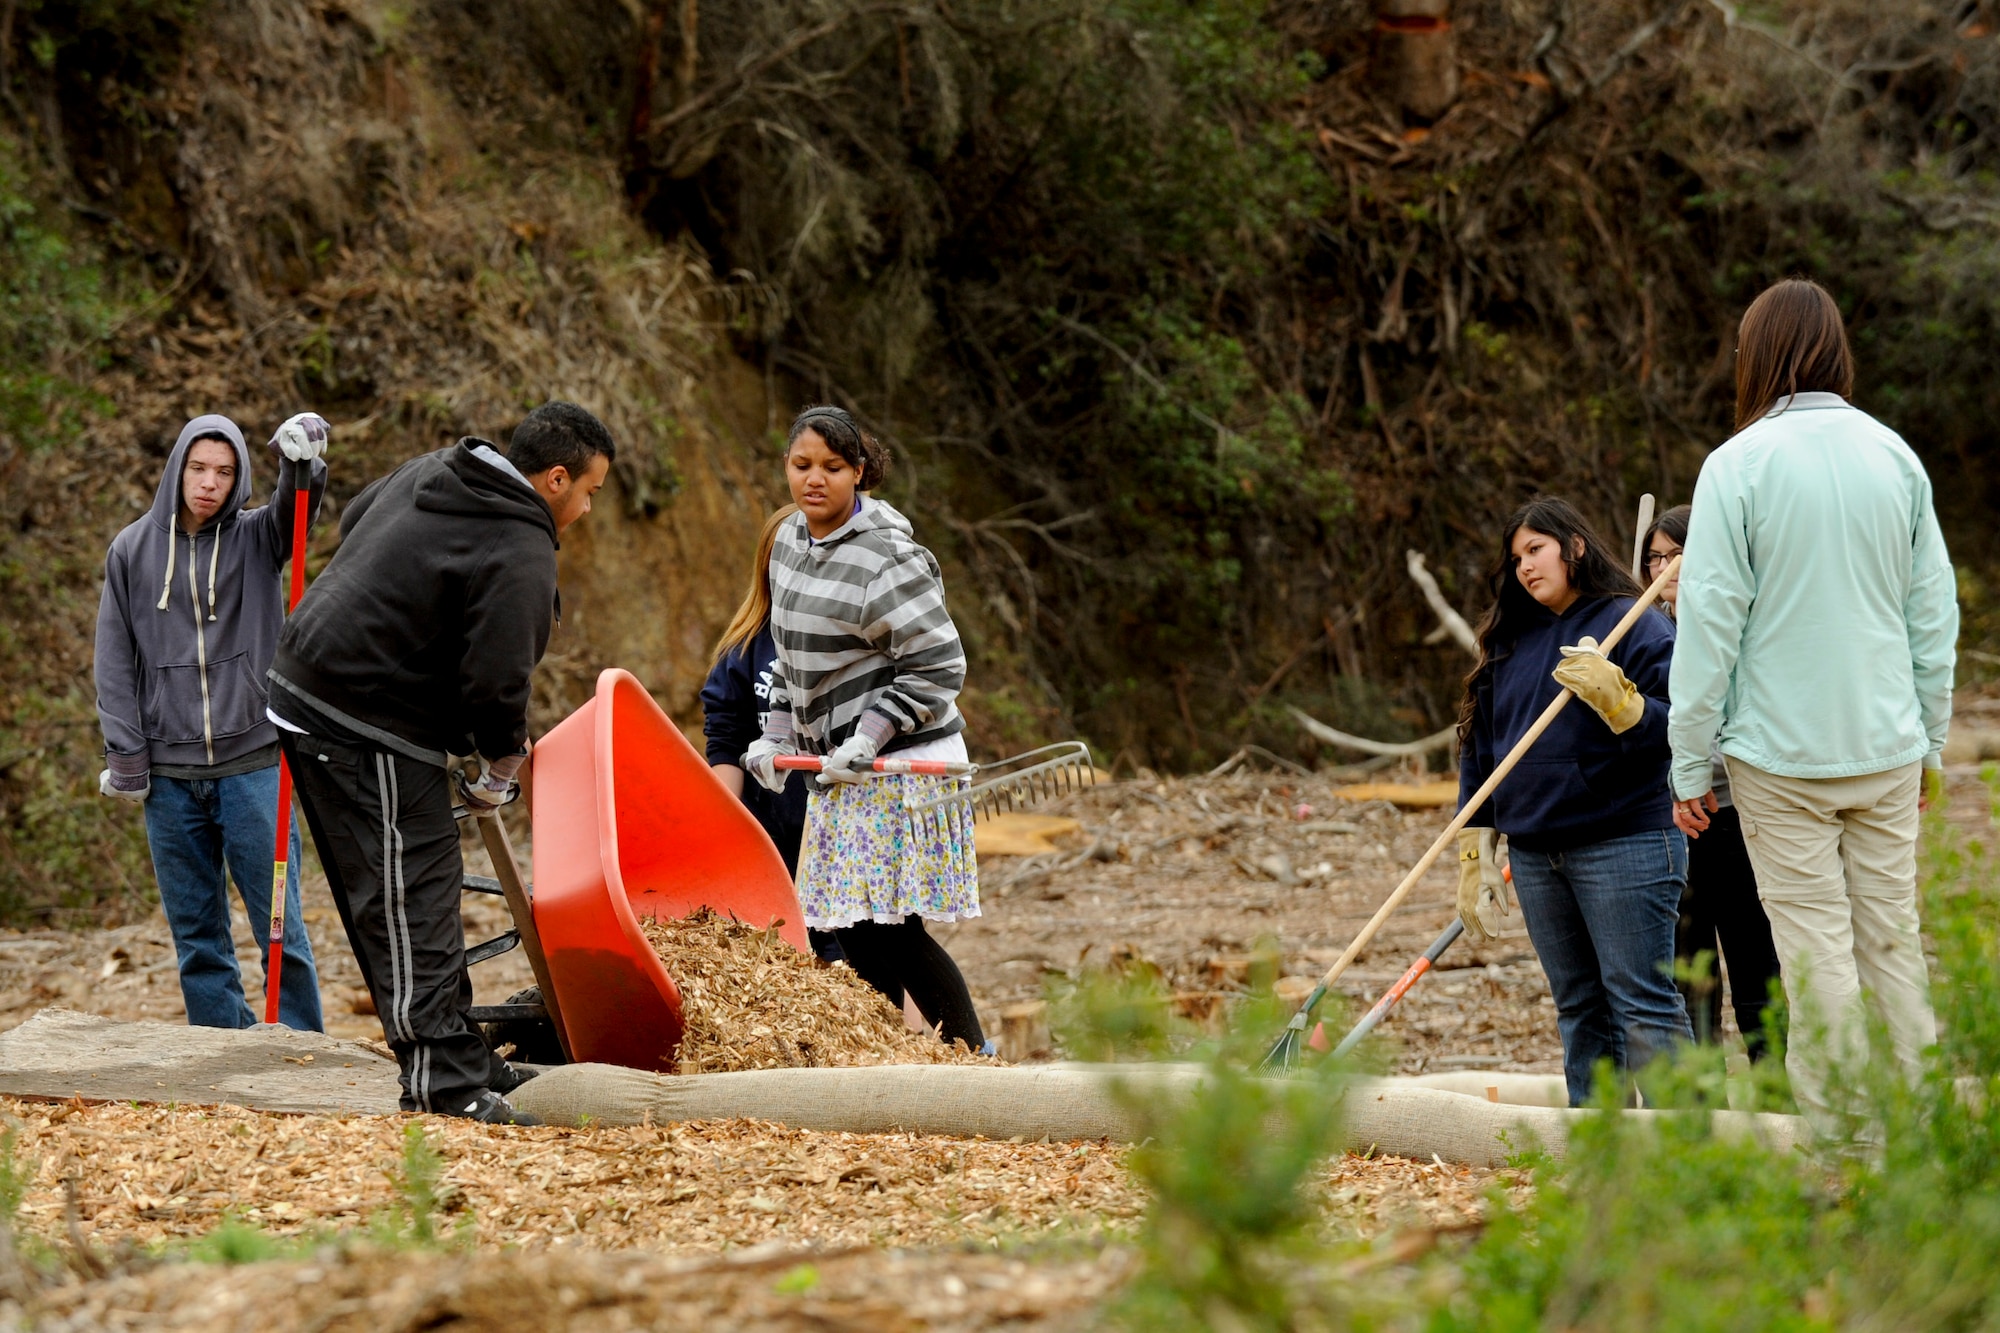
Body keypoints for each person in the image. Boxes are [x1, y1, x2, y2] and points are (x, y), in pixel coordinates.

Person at [268, 402, 614, 1124]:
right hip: (363, 711)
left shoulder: (443, 467)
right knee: (410, 891)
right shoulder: (522, 545)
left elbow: (354, 519)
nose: (585, 507)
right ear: (555, 478)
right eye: (589, 491)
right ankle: (441, 1082)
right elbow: (496, 680)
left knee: (413, 880)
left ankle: (458, 1052)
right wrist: (499, 769)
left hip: (313, 681)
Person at [1668, 277, 1955, 1141]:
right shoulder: (1895, 455)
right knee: (1893, 940)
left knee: (1815, 948)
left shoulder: (1737, 464)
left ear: (1756, 357)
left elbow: (1710, 620)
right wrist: (1930, 741)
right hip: (1885, 741)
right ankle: (1930, 1122)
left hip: (1778, 755)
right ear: (1835, 349)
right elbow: (1931, 614)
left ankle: (1847, 1137)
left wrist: (1688, 759)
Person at [743, 405, 989, 1052]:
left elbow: (940, 664)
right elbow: (790, 657)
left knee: (891, 925)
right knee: (850, 922)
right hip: (842, 764)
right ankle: (889, 1056)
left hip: (903, 757)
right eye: (801, 465)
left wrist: (869, 734)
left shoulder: (888, 557)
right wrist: (774, 734)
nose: (814, 479)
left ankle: (975, 1056)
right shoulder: (789, 544)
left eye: (831, 466)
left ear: (859, 472)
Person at [93, 412, 330, 1032]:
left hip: (254, 765)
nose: (209, 483)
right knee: (197, 939)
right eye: (198, 468)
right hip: (168, 778)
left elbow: (296, 509)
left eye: (224, 472)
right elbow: (114, 661)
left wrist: (299, 459)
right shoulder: (132, 550)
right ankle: (220, 1056)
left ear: (238, 480)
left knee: (280, 927)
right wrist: (126, 758)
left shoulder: (258, 538)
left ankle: (304, 1053)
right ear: (177, 469)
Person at [1456, 496, 1692, 1105]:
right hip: (1536, 852)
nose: (1526, 568)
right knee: (1581, 1011)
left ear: (1575, 547)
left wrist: (1625, 704)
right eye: (1516, 559)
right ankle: (1599, 1154)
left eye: (1536, 549)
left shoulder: (1633, 621)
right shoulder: (1510, 639)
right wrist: (1475, 843)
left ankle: (1688, 1158)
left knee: (1643, 1006)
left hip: (1625, 843)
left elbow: (1686, 726)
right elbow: (1482, 747)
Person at [1645, 505, 1783, 1059]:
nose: (1662, 566)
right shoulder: (1645, 635)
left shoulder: (1734, 627)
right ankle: (1705, 1118)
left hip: (1732, 814)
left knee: (1754, 963)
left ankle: (1776, 1098)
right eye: (1653, 557)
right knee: (1690, 974)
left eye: (1674, 553)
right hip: (1670, 822)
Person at [700, 502, 844, 963]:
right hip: (771, 842)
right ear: (768, 566)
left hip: (842, 839)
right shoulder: (746, 647)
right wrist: (726, 826)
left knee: (858, 962)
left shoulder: (854, 640)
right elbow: (725, 738)